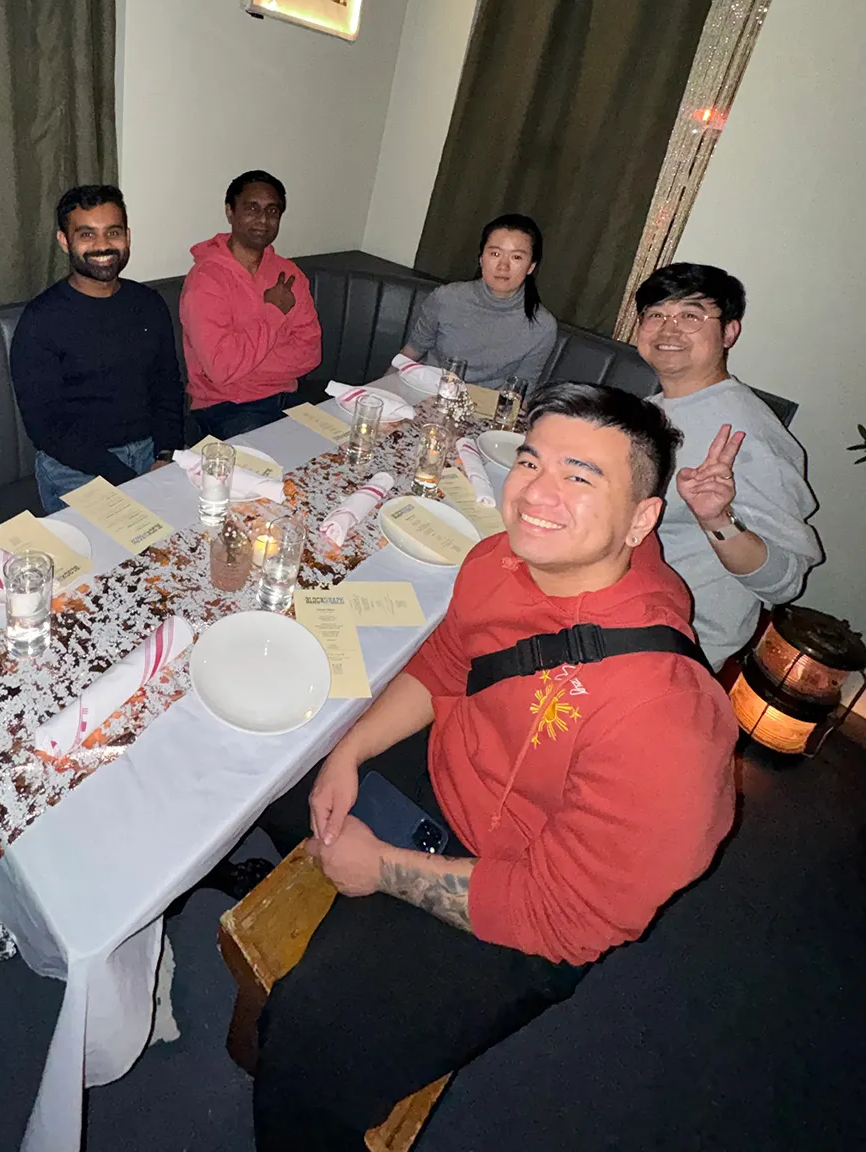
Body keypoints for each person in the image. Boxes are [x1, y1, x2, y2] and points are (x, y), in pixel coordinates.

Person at [253, 383, 737, 1151]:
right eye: (530, 462)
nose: (538, 494)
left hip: (521, 894)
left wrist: (380, 869)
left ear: (642, 519)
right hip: (443, 780)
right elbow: (449, 662)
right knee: (271, 761)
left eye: (582, 477)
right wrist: (349, 750)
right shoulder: (499, 558)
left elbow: (567, 917)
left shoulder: (666, 721)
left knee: (307, 1040)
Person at [634, 261, 821, 670]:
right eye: (656, 315)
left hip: (670, 643)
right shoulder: (655, 408)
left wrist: (716, 519)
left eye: (690, 315)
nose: (669, 329)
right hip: (621, 600)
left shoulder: (746, 435)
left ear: (730, 332)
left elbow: (785, 581)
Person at [10, 184, 183, 512]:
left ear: (127, 236)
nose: (103, 245)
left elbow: (168, 387)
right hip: (75, 467)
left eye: (113, 232)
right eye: (87, 235)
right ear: (65, 241)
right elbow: (46, 427)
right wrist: (128, 480)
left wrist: (165, 455)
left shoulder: (148, 304)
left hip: (151, 451)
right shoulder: (41, 320)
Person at [179, 171, 321, 441]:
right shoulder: (206, 280)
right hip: (225, 407)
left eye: (272, 210)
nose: (263, 220)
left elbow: (311, 352)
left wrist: (242, 366)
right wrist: (274, 312)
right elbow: (221, 369)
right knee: (269, 474)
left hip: (288, 398)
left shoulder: (289, 274)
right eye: (252, 208)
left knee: (334, 456)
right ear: (230, 212)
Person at [401, 213, 557, 389]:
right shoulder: (446, 298)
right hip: (425, 395)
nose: (503, 266)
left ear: (531, 267)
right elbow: (410, 353)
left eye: (516, 257)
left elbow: (520, 392)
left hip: (483, 411)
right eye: (495, 253)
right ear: (481, 258)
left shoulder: (542, 326)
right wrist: (377, 393)